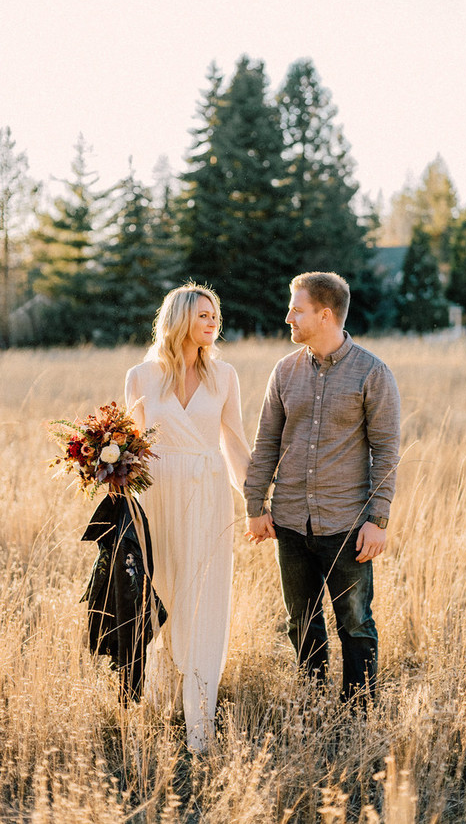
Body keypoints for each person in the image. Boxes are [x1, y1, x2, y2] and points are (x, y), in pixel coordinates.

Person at [245, 271, 400, 703]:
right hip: (291, 522)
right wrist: (255, 506)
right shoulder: (284, 371)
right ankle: (312, 707)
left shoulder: (372, 373)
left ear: (325, 315)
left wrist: (378, 520)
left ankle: (357, 715)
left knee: (356, 623)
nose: (288, 317)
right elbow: (266, 443)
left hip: (347, 525)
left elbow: (386, 453)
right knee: (301, 623)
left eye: (297, 310)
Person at [125, 282, 250, 749]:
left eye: (215, 315)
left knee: (203, 598)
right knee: (159, 593)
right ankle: (160, 711)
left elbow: (234, 442)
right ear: (179, 319)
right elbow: (130, 448)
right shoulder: (141, 376)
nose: (213, 322)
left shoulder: (225, 376)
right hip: (157, 494)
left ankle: (201, 721)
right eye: (203, 314)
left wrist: (256, 503)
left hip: (208, 491)